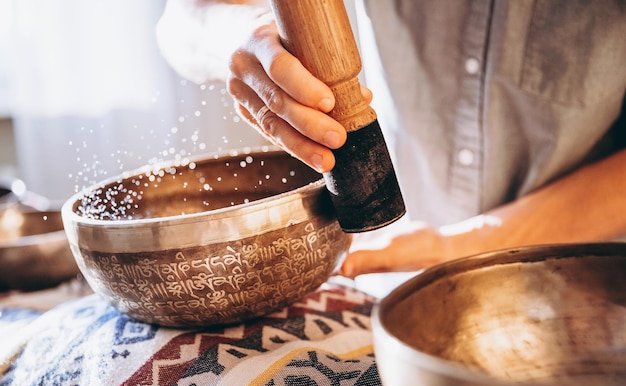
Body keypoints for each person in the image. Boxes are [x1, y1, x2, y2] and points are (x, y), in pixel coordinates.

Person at [156, 0, 626, 279]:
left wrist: (459, 246)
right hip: (389, 266)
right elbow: (180, 21)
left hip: (592, 278)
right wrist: (238, 38)